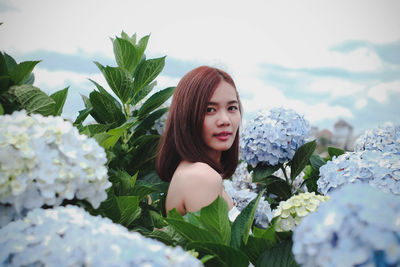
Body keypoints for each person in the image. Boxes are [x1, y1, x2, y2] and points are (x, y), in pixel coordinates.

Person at [156, 66, 242, 220]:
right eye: (210, 109)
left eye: (232, 108)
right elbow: (218, 244)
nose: (225, 120)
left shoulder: (192, 171)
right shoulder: (201, 177)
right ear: (187, 116)